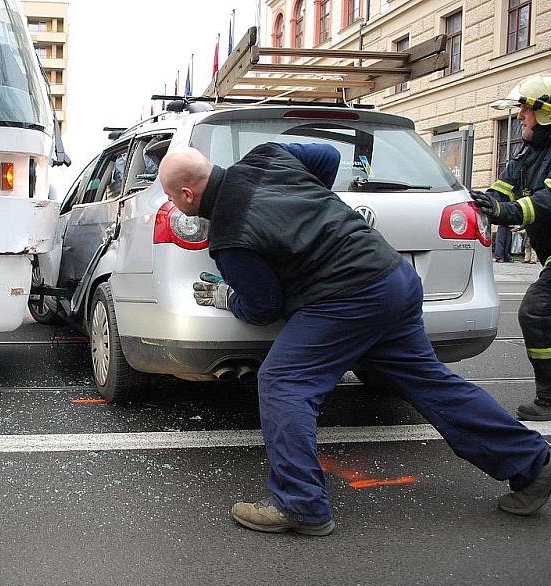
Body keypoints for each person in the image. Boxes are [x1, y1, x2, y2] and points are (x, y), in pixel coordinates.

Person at [158, 141, 551, 536]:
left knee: (284, 383)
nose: (175, 206)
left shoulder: (230, 236)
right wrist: (311, 213)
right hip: (392, 277)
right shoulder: (267, 156)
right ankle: (534, 465)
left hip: (346, 297)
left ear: (187, 194)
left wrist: (230, 296)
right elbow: (327, 156)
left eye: (173, 198)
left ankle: (300, 504)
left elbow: (263, 307)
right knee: (432, 384)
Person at [471, 74, 551, 421]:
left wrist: (509, 211)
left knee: (536, 311)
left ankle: (548, 399)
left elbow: (547, 200)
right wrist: (481, 201)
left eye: (525, 110)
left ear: (546, 113)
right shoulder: (528, 152)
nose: (520, 116)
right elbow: (503, 187)